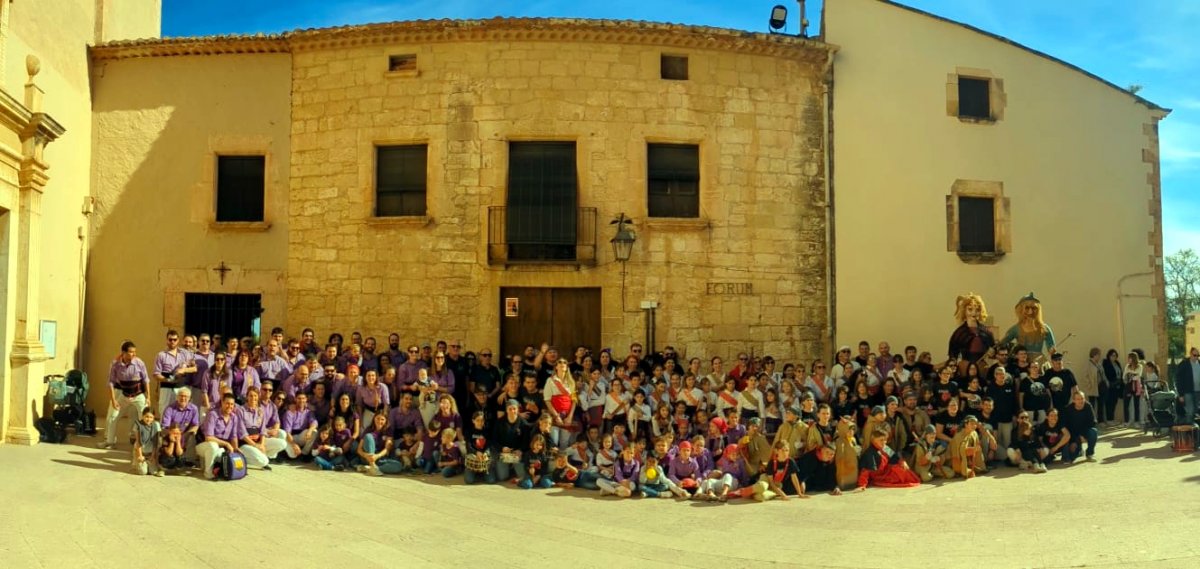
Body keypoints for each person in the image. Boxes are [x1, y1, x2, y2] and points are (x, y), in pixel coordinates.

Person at [102, 341, 150, 450]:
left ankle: (145, 444)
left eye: (135, 352)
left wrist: (148, 397)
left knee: (144, 418)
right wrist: (113, 400)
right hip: (124, 395)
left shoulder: (139, 363)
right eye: (131, 352)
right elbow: (110, 382)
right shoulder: (115, 364)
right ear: (123, 353)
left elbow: (146, 380)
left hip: (138, 395)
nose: (133, 354)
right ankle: (110, 442)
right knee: (113, 417)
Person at [197, 393, 248, 479]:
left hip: (220, 448)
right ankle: (208, 473)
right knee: (213, 446)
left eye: (232, 404)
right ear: (222, 402)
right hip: (204, 445)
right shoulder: (213, 414)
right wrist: (227, 444)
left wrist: (235, 449)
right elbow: (208, 437)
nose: (230, 406)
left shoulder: (234, 417)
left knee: (233, 455)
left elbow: (234, 436)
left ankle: (217, 468)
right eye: (227, 403)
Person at [855, 427, 920, 490]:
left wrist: (902, 461)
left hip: (886, 470)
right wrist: (862, 485)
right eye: (881, 440)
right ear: (874, 440)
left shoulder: (885, 447)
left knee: (903, 469)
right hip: (879, 476)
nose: (884, 442)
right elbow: (865, 471)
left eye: (885, 440)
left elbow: (894, 457)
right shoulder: (870, 453)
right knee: (900, 475)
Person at [237, 388, 286, 470]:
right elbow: (242, 433)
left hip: (258, 441)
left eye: (255, 396)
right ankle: (245, 457)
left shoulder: (260, 411)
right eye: (251, 396)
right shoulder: (240, 411)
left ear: (258, 397)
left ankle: (261, 456)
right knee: (264, 462)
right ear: (247, 397)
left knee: (282, 443)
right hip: (245, 443)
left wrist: (262, 444)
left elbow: (262, 430)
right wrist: (255, 445)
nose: (253, 398)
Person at [153, 330, 196, 416]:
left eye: (174, 339)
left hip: (180, 387)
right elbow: (156, 374)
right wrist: (168, 379)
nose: (172, 341)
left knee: (181, 413)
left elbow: (195, 368)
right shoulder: (161, 355)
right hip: (166, 387)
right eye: (170, 339)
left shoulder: (185, 354)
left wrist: (183, 370)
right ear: (167, 340)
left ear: (178, 340)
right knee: (164, 413)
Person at [493, 399, 531, 482]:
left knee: (521, 475)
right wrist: (502, 448)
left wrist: (520, 450)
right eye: (510, 409)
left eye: (514, 409)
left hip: (517, 455)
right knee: (502, 477)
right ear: (506, 410)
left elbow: (526, 441)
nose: (512, 411)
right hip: (504, 454)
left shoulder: (523, 423)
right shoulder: (499, 422)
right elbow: (494, 440)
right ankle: (508, 468)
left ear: (517, 410)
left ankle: (513, 467)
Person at [160, 389, 200, 460]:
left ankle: (187, 459)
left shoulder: (194, 409)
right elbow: (165, 426)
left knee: (193, 436)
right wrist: (174, 434)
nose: (183, 398)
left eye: (186, 396)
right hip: (171, 432)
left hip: (185, 434)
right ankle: (167, 457)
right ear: (177, 397)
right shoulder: (169, 409)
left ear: (189, 398)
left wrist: (186, 435)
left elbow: (195, 425)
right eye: (181, 396)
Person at [1062, 392, 1098, 463]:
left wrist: (1082, 435)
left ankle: (1089, 454)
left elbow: (1093, 422)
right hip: (1072, 434)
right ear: (1074, 400)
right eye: (1078, 399)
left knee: (1094, 432)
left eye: (1082, 398)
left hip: (1085, 432)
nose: (1080, 401)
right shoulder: (1068, 409)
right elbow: (1065, 425)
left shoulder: (1088, 406)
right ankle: (1078, 451)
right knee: (1071, 457)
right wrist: (1074, 440)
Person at [282, 392, 319, 460]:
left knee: (314, 431)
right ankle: (288, 452)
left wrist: (310, 431)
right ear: (295, 399)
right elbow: (287, 432)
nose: (301, 400)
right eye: (299, 398)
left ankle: (304, 454)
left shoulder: (308, 412)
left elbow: (314, 422)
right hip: (291, 437)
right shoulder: (289, 412)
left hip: (302, 436)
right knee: (293, 456)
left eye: (303, 398)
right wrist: (294, 445)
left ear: (306, 399)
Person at [130, 407, 162, 476]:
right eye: (146, 416)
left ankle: (149, 463)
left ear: (153, 417)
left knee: (153, 472)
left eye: (151, 417)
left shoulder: (156, 425)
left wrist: (153, 456)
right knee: (143, 472)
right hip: (141, 452)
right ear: (143, 416)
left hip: (151, 453)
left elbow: (156, 442)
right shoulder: (138, 424)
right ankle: (138, 463)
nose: (149, 419)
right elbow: (138, 442)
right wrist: (140, 455)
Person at [1081, 348, 1105, 423]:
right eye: (1098, 355)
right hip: (1093, 387)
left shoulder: (1099, 364)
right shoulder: (1088, 364)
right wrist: (1089, 385)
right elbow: (1085, 376)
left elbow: (1102, 374)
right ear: (1094, 355)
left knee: (1101, 404)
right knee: (1092, 405)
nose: (1099, 356)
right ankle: (1092, 421)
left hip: (1100, 386)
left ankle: (1100, 420)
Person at [1175, 347, 1199, 423]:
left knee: (1195, 411)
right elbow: (1178, 379)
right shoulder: (1184, 364)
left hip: (1198, 391)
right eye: (1195, 355)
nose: (1196, 357)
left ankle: (1184, 423)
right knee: (1190, 411)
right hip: (1187, 391)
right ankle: (1188, 430)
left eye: (1198, 355)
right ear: (1190, 354)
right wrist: (1180, 394)